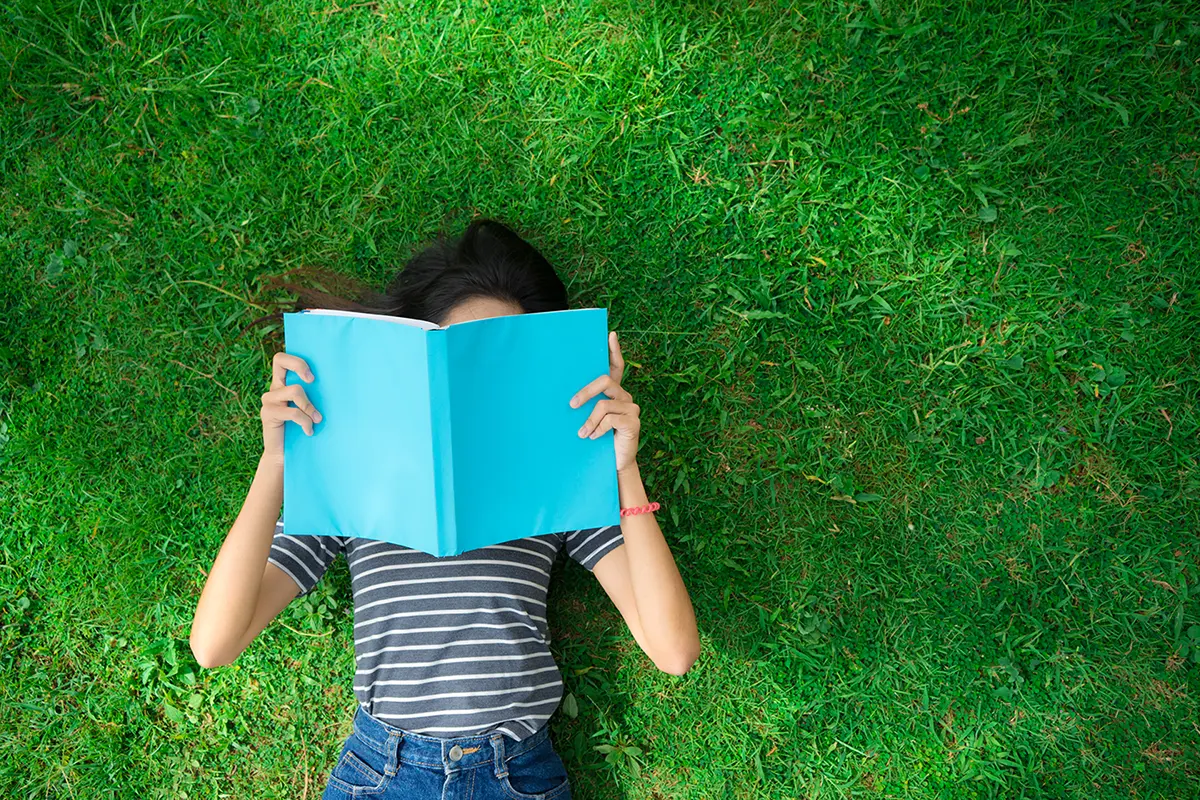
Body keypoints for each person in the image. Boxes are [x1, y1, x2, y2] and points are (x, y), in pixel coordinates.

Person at [189, 218, 700, 799]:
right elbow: (214, 644)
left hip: (517, 775)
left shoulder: (554, 482)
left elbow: (674, 650)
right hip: (382, 772)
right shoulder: (353, 476)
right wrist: (277, 465)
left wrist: (623, 471)